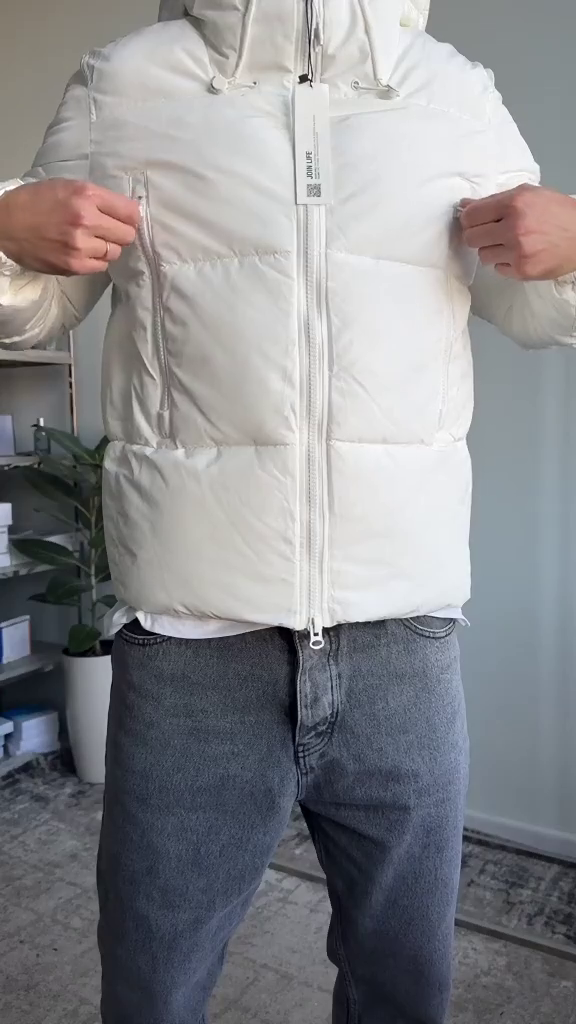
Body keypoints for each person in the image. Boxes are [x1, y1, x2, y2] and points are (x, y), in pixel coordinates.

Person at [1, 2, 575, 1021]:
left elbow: (534, 303)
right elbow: (40, 305)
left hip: (403, 641)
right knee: (154, 980)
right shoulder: (127, 81)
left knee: (405, 983)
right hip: (192, 647)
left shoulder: (452, 92)